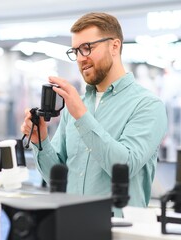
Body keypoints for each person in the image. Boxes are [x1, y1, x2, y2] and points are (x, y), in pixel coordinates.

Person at [20, 12, 168, 217]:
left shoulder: (148, 106)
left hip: (118, 231)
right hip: (71, 224)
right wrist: (41, 141)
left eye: (87, 48)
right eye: (76, 51)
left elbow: (124, 166)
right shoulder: (74, 107)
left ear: (114, 46)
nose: (81, 58)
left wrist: (82, 115)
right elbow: (57, 176)